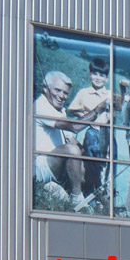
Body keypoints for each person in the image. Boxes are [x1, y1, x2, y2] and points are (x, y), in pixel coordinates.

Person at [68, 56, 128, 202]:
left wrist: (123, 90)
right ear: (90, 74)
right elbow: (72, 109)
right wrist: (86, 116)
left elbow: (123, 107)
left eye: (102, 75)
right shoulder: (83, 93)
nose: (98, 78)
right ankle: (91, 192)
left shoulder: (110, 95)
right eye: (95, 73)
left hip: (107, 133)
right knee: (92, 163)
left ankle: (107, 193)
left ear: (106, 79)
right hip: (92, 132)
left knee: (110, 162)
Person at [34, 70, 88, 208]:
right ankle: (77, 198)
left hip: (54, 165)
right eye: (57, 90)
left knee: (79, 151)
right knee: (72, 150)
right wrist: (97, 111)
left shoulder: (60, 110)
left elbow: (71, 139)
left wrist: (84, 155)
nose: (62, 96)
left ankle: (55, 188)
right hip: (39, 165)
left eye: (65, 93)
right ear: (45, 89)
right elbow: (74, 127)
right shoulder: (40, 106)